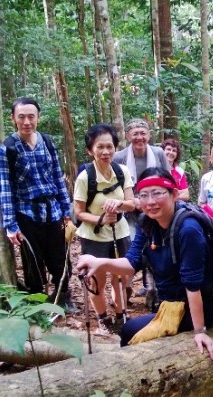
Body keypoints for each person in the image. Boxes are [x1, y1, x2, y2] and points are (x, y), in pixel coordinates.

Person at [77, 169, 213, 360]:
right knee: (130, 331)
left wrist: (199, 331)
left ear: (174, 194)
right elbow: (131, 262)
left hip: (198, 306)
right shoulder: (147, 222)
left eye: (157, 193)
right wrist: (99, 262)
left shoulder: (188, 229)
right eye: (144, 195)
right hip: (169, 302)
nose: (150, 202)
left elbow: (192, 285)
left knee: (130, 331)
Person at [0, 97, 77, 313]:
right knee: (32, 262)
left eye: (31, 116)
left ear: (38, 118)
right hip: (26, 214)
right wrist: (10, 224)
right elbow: (4, 188)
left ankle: (62, 297)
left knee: (61, 259)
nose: (27, 122)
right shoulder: (8, 149)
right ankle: (36, 304)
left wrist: (66, 212)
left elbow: (58, 179)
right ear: (13, 118)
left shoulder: (47, 142)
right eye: (21, 117)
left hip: (53, 213)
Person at [73, 123, 135, 335]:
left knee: (121, 277)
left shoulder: (121, 171)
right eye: (100, 147)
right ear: (91, 150)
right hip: (93, 237)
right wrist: (100, 219)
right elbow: (79, 212)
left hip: (121, 233)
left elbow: (132, 203)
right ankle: (103, 318)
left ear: (115, 148)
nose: (106, 151)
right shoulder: (85, 177)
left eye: (110, 146)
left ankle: (120, 315)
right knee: (96, 280)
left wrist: (118, 205)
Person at [113, 119, 170, 298]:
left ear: (149, 135)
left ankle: (155, 289)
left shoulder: (158, 153)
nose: (139, 137)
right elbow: (114, 187)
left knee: (157, 247)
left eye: (143, 133)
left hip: (155, 209)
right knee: (131, 247)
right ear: (128, 136)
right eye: (135, 133)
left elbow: (167, 179)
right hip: (129, 212)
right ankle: (125, 288)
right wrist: (133, 201)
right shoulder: (119, 157)